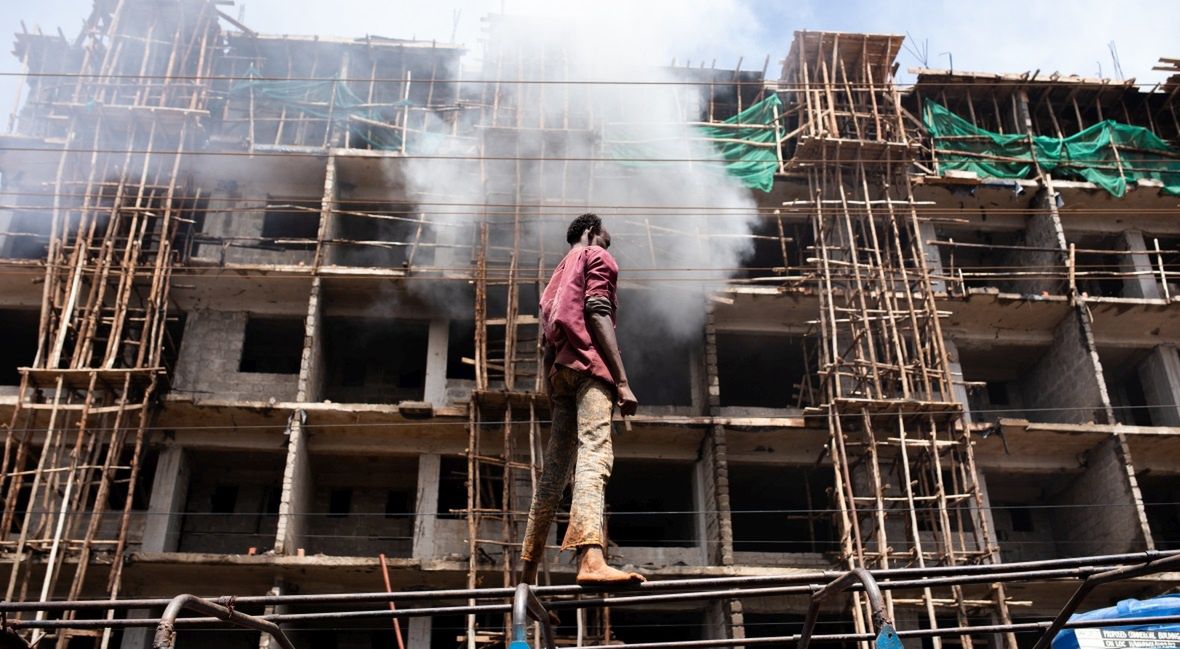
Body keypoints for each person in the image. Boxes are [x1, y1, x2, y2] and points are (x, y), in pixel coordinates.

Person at [517, 213, 644, 586]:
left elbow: (545, 347)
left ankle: (525, 581)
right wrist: (622, 381)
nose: (608, 242)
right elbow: (597, 310)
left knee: (552, 477)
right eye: (605, 236)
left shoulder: (553, 281)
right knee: (595, 454)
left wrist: (552, 394)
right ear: (590, 232)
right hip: (590, 370)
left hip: (561, 378)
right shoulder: (596, 257)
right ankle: (591, 558)